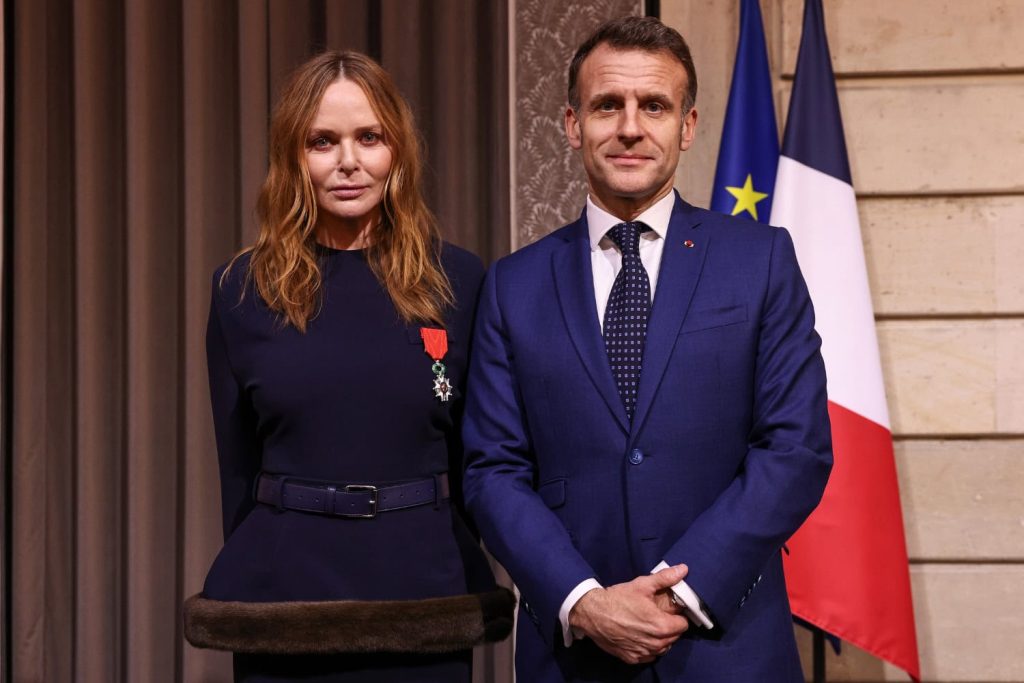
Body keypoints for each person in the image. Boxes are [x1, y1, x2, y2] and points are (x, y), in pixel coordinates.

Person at [462, 16, 832, 683]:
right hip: (574, 654)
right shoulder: (513, 284)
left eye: (654, 106)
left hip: (728, 647)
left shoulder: (760, 261)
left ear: (687, 127)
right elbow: (493, 470)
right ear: (573, 124)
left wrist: (679, 593)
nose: (630, 127)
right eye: (608, 105)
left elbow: (796, 448)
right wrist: (584, 600)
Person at [183, 50, 513, 682]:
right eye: (322, 142)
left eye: (369, 137)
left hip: (425, 599)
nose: (348, 162)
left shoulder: (460, 279)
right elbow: (238, 473)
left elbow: (477, 459)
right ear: (293, 156)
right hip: (285, 604)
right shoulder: (240, 289)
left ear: (397, 150)